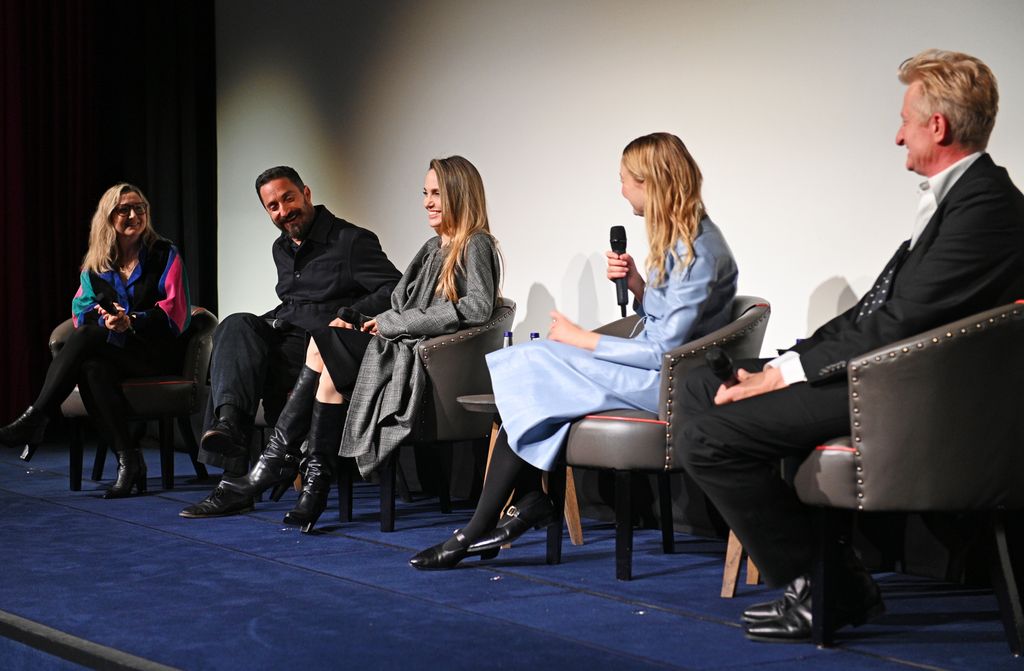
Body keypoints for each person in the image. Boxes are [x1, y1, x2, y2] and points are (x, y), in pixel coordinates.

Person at [674, 49, 1024, 643]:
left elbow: (897, 326)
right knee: (703, 384)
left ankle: (827, 583)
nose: (897, 135)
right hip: (892, 376)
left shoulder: (987, 207)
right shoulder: (961, 199)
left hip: (912, 395)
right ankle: (831, 578)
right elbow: (875, 312)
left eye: (905, 120)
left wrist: (785, 375)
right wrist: (782, 361)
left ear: (936, 127)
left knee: (705, 436)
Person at [410, 132, 739, 570]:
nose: (621, 190)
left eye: (625, 181)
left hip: (669, 383)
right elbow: (670, 318)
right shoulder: (682, 239)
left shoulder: (698, 248)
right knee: (533, 368)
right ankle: (510, 510)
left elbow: (667, 348)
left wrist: (583, 338)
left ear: (650, 182)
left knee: (535, 362)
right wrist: (638, 284)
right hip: (653, 368)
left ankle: (490, 521)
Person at [194, 155, 503, 531]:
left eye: (436, 193)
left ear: (459, 193)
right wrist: (370, 322)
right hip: (394, 340)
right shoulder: (434, 246)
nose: (427, 202)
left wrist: (385, 322)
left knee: (323, 341)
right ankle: (311, 485)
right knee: (267, 337)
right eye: (425, 193)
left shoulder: (476, 244)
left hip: (412, 353)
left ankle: (273, 465)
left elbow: (476, 306)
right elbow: (406, 302)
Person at [180, 166, 401, 518]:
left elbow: (394, 288)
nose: (283, 211)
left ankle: (236, 481)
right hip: (288, 339)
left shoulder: (350, 240)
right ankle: (229, 431)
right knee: (235, 326)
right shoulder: (281, 248)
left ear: (306, 193)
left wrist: (350, 313)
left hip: (324, 350)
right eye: (273, 207)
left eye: (288, 199)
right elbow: (294, 300)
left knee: (244, 363)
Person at [0, 183, 192, 498]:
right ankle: (129, 461)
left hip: (155, 353)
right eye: (124, 209)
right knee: (91, 367)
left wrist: (132, 320)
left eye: (139, 208)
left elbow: (176, 312)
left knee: (88, 339)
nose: (134, 215)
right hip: (115, 353)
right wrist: (107, 320)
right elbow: (81, 311)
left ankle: (36, 417)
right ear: (108, 217)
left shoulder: (164, 253)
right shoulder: (96, 266)